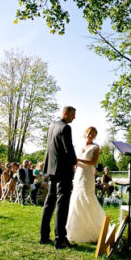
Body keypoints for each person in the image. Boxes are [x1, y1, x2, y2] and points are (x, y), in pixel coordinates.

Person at [40, 105, 78, 248]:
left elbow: (50, 148)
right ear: (66, 113)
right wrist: (74, 162)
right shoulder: (66, 128)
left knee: (50, 201)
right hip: (63, 170)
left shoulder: (52, 126)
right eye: (73, 114)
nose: (74, 117)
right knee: (62, 203)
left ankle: (44, 236)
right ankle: (60, 238)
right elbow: (68, 148)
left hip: (52, 169)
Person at [65, 126, 106, 243]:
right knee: (76, 198)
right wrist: (75, 164)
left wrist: (78, 160)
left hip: (87, 175)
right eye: (89, 133)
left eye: (93, 134)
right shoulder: (80, 146)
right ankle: (75, 229)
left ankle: (94, 229)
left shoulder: (95, 147)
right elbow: (75, 161)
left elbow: (93, 162)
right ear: (85, 134)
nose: (90, 135)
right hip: (78, 174)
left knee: (87, 197)